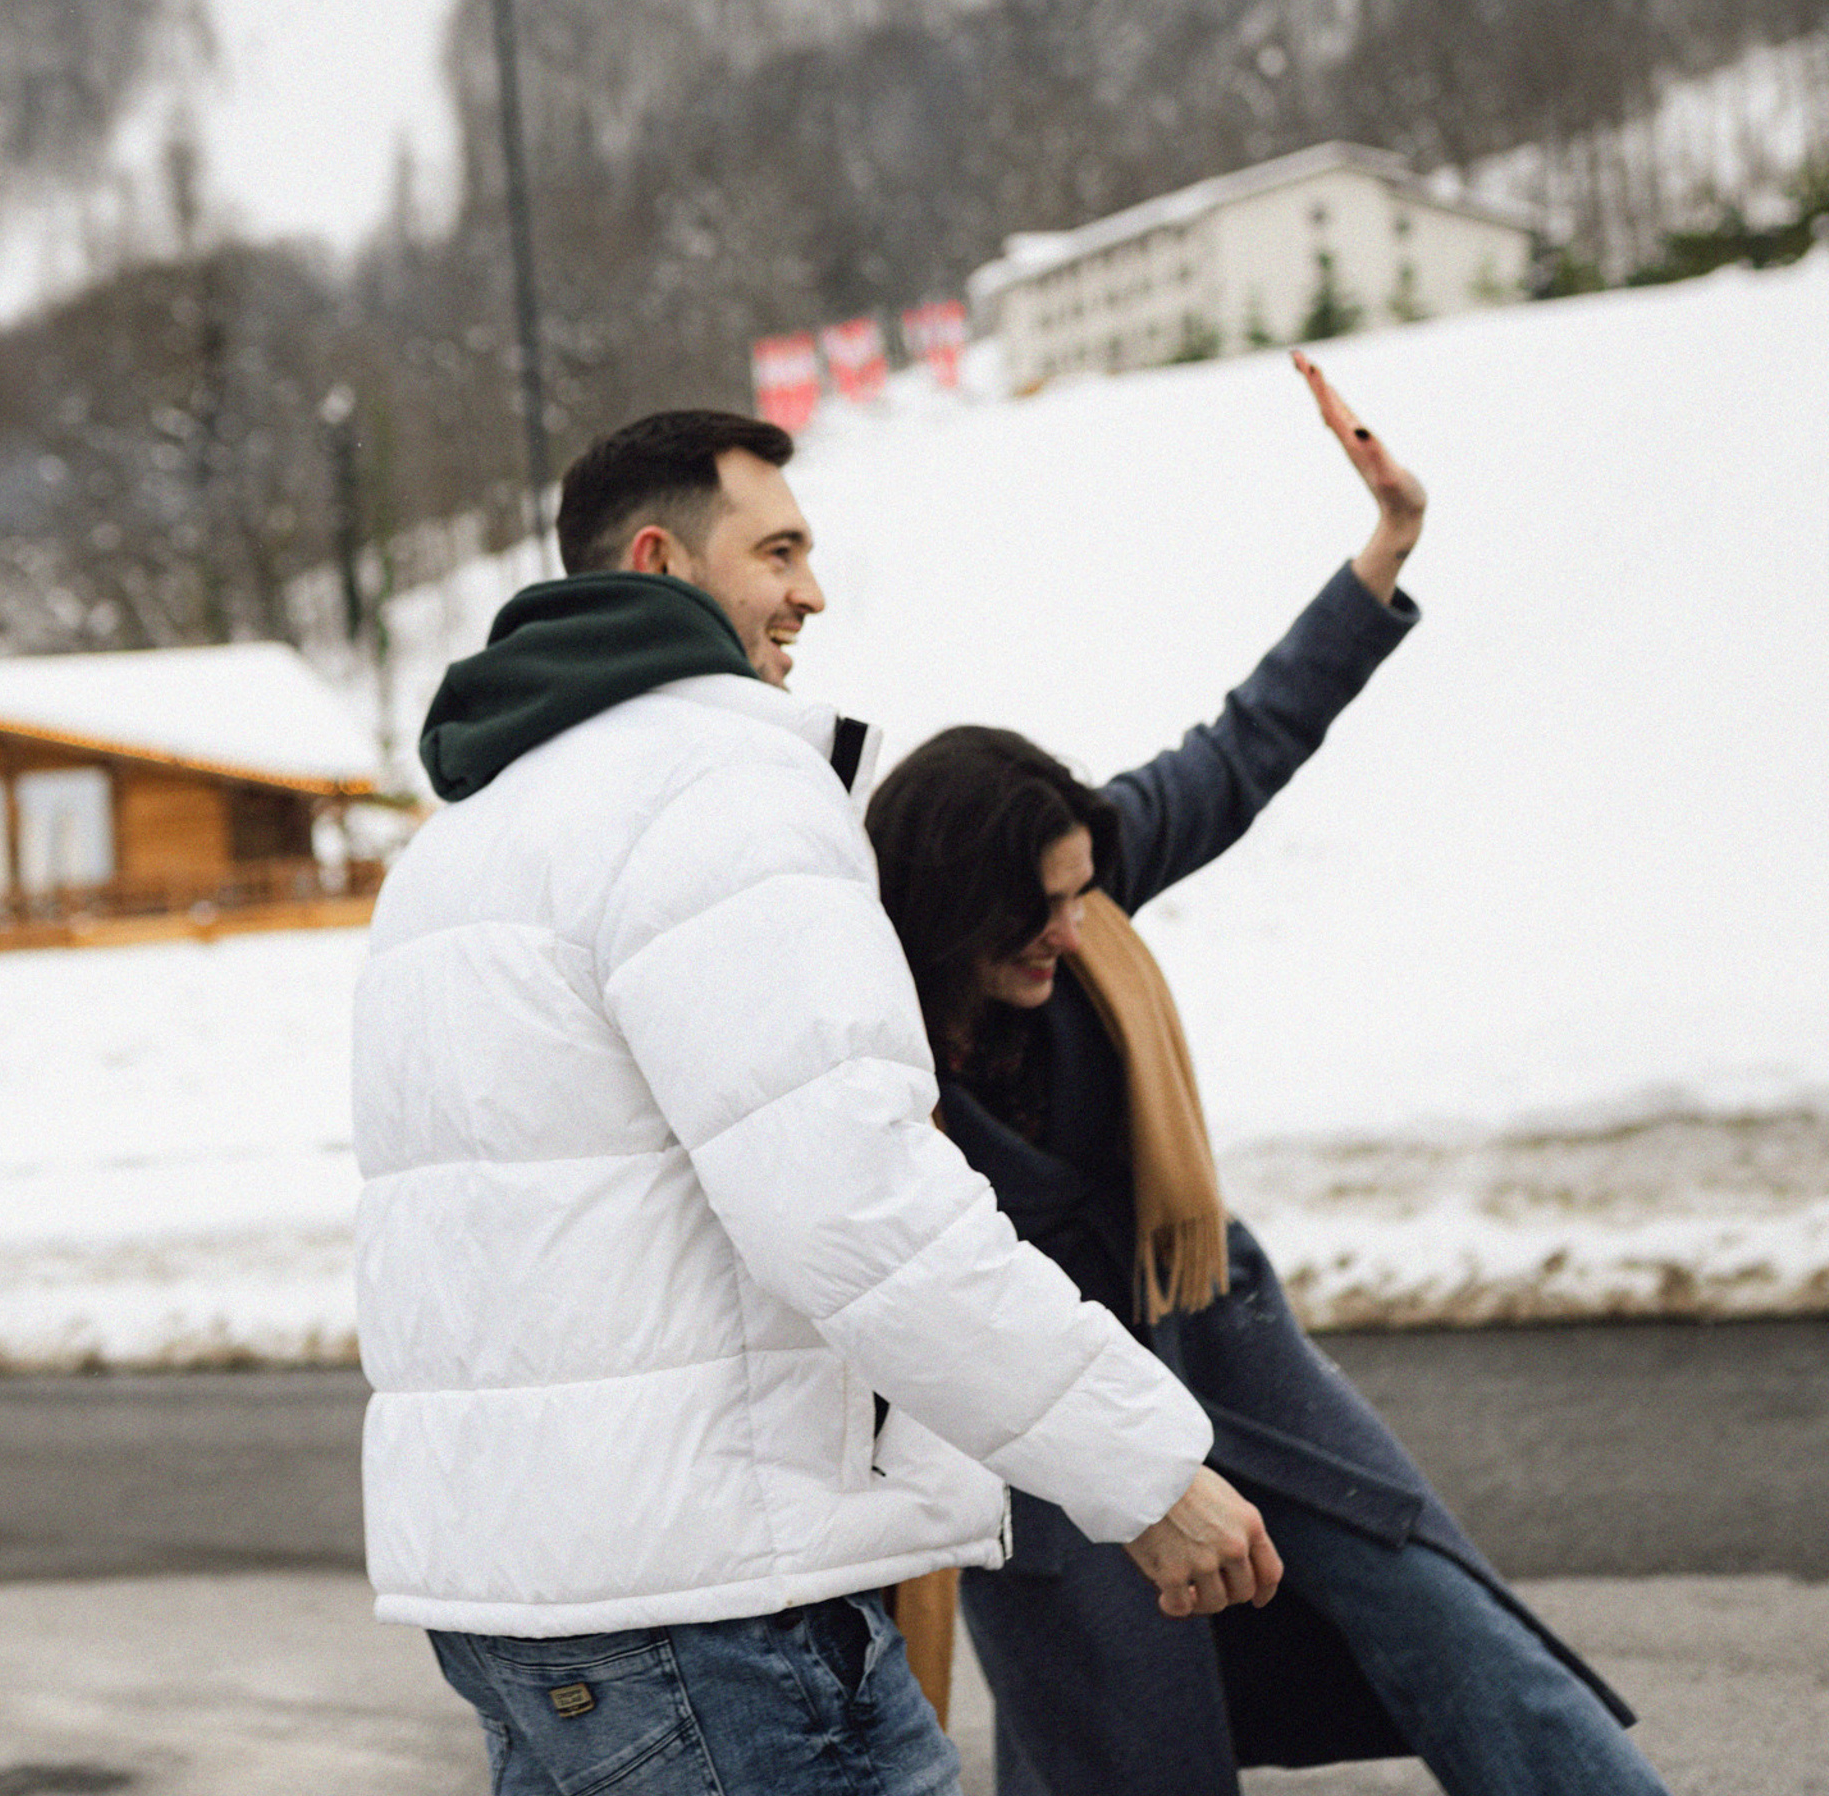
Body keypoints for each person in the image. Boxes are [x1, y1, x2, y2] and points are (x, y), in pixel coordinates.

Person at [353, 408, 1283, 1796]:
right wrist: (1138, 1467)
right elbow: (856, 1199)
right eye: (777, 549)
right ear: (661, 561)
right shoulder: (717, 791)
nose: (812, 591)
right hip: (706, 1606)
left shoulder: (467, 841)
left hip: (524, 1599)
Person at [863, 352, 1670, 1796]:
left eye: (1081, 891)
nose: (1073, 926)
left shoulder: (1084, 879)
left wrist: (1386, 551)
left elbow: (1243, 746)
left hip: (1221, 1344)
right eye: (1037, 908)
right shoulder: (859, 1031)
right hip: (1063, 1453)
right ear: (949, 903)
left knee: (1460, 1632)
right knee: (1130, 1761)